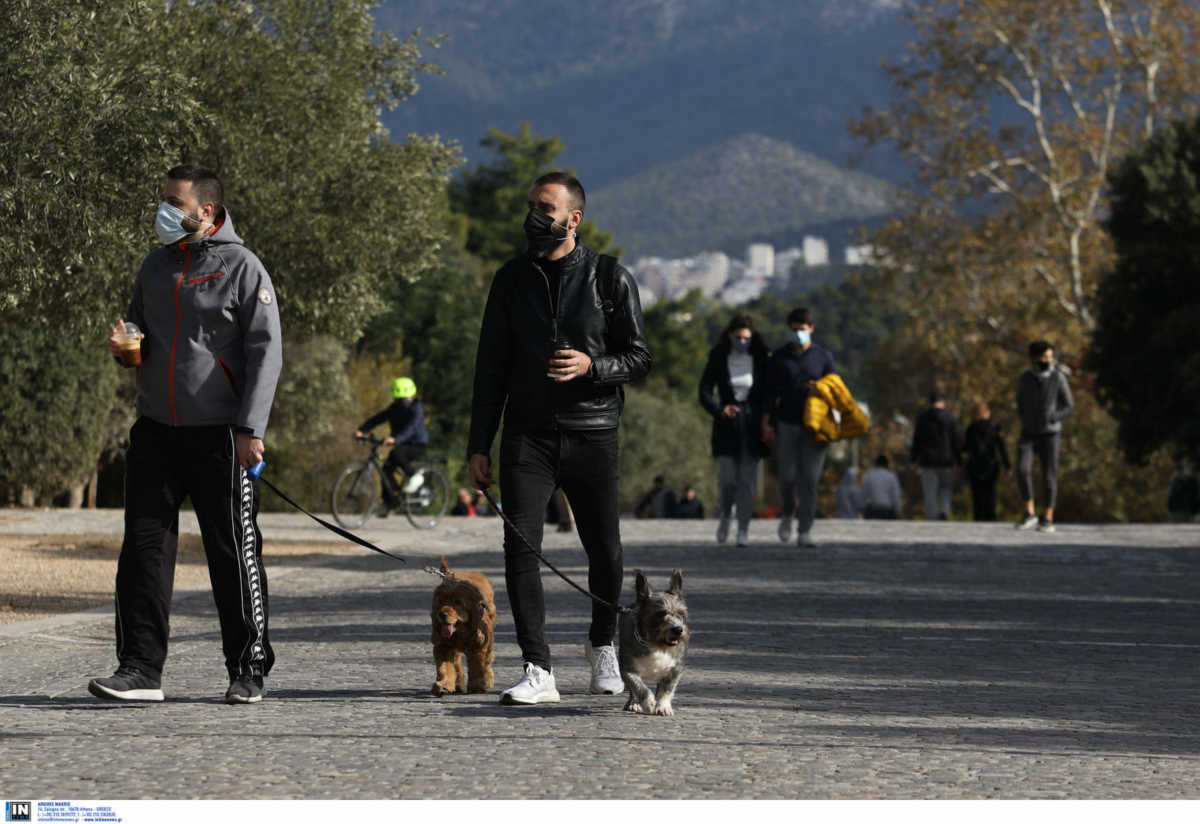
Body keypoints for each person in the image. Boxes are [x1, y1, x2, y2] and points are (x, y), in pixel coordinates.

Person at [88, 165, 282, 705]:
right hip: (155, 430)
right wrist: (127, 346)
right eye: (164, 200)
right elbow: (138, 331)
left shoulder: (242, 267)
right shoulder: (154, 266)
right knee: (144, 551)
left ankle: (248, 668)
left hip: (222, 434)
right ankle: (140, 669)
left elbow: (267, 354)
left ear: (207, 212)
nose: (166, 210)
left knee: (233, 552)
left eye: (176, 202)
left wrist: (250, 429)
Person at [467, 171, 652, 705]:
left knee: (606, 551)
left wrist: (594, 366)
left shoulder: (610, 277)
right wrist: (480, 444)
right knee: (520, 549)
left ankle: (602, 648)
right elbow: (490, 369)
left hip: (594, 433)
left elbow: (641, 357)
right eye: (530, 206)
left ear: (574, 218)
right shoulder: (510, 279)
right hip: (528, 436)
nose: (533, 218)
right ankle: (537, 668)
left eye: (545, 208)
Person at [760, 307, 835, 547]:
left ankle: (805, 530)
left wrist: (820, 390)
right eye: (794, 330)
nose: (798, 334)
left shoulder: (823, 357)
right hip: (787, 423)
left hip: (814, 427)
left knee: (810, 480)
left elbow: (835, 390)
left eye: (801, 330)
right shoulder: (779, 358)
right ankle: (787, 514)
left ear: (811, 329)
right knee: (788, 477)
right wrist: (766, 423)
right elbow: (769, 393)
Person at [698, 313, 771, 546]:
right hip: (727, 427)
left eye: (746, 338)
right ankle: (725, 516)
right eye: (738, 337)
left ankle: (743, 529)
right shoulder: (718, 358)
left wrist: (767, 423)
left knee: (747, 482)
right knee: (728, 479)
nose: (742, 341)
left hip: (752, 426)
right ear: (730, 336)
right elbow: (704, 391)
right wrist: (719, 410)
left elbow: (769, 394)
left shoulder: (760, 359)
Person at [1015, 341, 1074, 533]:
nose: (1048, 361)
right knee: (1022, 469)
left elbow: (1068, 404)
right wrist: (1026, 418)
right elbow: (1020, 402)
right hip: (1029, 433)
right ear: (1034, 358)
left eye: (1050, 357)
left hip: (1050, 434)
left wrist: (1053, 417)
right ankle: (1029, 513)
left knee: (1049, 475)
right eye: (1045, 357)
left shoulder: (1058, 378)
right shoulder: (1026, 378)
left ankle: (1047, 517)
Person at [355, 377, 429, 513]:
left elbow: (411, 429)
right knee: (385, 469)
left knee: (396, 453)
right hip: (400, 443)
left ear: (411, 396)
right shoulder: (395, 408)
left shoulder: (417, 409)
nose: (399, 402)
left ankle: (414, 476)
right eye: (397, 399)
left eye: (402, 399)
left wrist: (395, 439)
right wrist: (362, 429)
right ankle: (390, 502)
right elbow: (378, 418)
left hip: (417, 445)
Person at [910, 389, 963, 520]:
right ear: (943, 402)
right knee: (946, 488)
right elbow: (956, 441)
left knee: (930, 492)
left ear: (930, 402)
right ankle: (944, 511)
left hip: (928, 461)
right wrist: (959, 461)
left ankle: (931, 517)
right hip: (947, 461)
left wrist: (913, 459)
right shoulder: (951, 418)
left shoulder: (922, 418)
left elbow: (917, 441)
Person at [962, 400, 1010, 521]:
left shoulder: (971, 428)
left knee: (977, 495)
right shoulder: (995, 427)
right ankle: (991, 516)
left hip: (975, 466)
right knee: (990, 492)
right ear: (987, 412)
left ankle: (978, 517)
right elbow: (1002, 448)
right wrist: (1007, 466)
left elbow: (966, 448)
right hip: (991, 465)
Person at [862, 455, 903, 519]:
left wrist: (863, 509)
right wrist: (898, 511)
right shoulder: (891, 476)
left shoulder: (870, 476)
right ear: (886, 464)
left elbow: (864, 494)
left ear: (876, 464)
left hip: (873, 510)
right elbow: (896, 495)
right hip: (888, 511)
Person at [1167, 456, 1200, 523]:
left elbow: (1170, 494)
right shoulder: (1190, 477)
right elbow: (1195, 494)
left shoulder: (1176, 477)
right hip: (1183, 509)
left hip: (1180, 509)